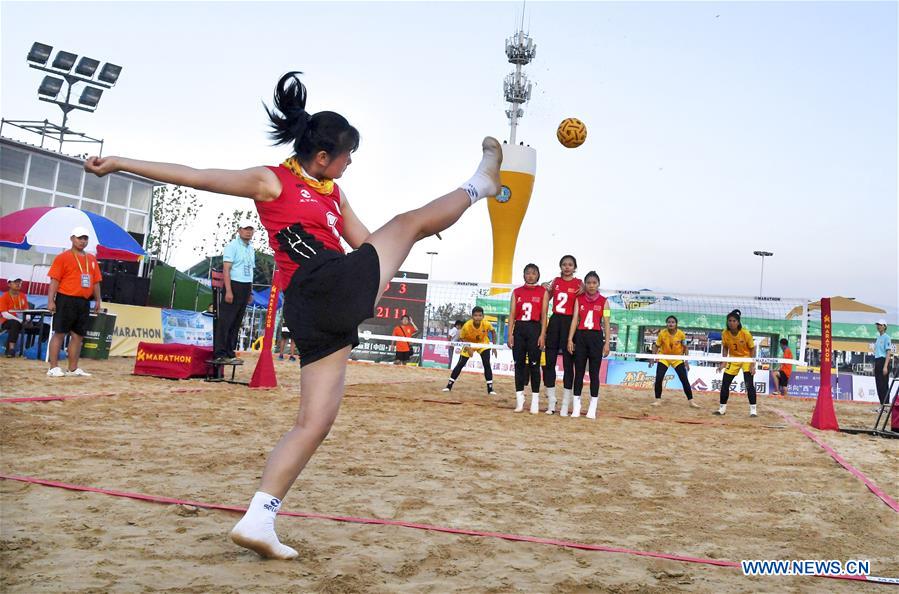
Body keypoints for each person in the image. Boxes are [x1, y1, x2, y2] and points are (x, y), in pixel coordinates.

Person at [84, 71, 502, 559]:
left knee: (314, 422)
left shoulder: (331, 193)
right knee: (410, 221)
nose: (350, 164)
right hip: (318, 286)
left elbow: (366, 243)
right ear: (322, 155)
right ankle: (481, 183)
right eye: (347, 156)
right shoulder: (271, 180)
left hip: (317, 306)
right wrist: (117, 163)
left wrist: (411, 238)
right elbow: (194, 174)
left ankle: (259, 519)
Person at [46, 227, 103, 377]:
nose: (83, 241)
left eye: (85, 238)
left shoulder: (91, 259)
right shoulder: (62, 257)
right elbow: (54, 280)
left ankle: (73, 368)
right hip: (65, 299)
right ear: (72, 238)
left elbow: (96, 281)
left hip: (83, 301)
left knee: (78, 336)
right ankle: (53, 367)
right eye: (79, 238)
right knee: (60, 333)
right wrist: (50, 301)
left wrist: (98, 299)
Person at [566, 271, 610, 419]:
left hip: (596, 338)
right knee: (578, 373)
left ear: (598, 284)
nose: (591, 285)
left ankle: (592, 407)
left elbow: (606, 323)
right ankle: (576, 406)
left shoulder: (605, 301)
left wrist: (607, 343)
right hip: (581, 337)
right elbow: (574, 320)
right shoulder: (579, 300)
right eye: (589, 283)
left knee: (594, 374)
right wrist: (570, 339)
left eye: (594, 283)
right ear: (585, 284)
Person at [541, 255, 582, 414]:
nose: (567, 267)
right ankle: (551, 401)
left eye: (570, 264)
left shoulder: (579, 283)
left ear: (574, 267)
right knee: (549, 362)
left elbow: (586, 299)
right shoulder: (556, 281)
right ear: (560, 266)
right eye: (564, 264)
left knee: (567, 364)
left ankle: (565, 404)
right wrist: (544, 287)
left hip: (570, 323)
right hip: (555, 321)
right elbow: (547, 296)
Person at [215, 220, 256, 364]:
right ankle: (219, 353)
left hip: (245, 286)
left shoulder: (251, 248)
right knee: (226, 320)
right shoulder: (232, 246)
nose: (248, 232)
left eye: (251, 229)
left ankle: (230, 351)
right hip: (233, 284)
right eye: (245, 229)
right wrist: (228, 290)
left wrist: (250, 291)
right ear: (239, 230)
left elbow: (251, 270)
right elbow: (226, 269)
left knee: (237, 321)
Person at [508, 263, 546, 413]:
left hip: (534, 329)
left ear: (538, 275)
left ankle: (535, 401)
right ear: (524, 275)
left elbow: (544, 316)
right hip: (519, 329)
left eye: (533, 273)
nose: (530, 275)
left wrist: (543, 335)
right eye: (528, 273)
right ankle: (520, 400)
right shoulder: (516, 292)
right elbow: (511, 315)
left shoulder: (542, 291)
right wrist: (510, 334)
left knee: (534, 365)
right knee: (519, 365)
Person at [443, 306, 497, 395]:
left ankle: (490, 389)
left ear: (483, 316)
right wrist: (468, 348)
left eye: (480, 315)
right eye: (475, 315)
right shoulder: (467, 325)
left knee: (486, 363)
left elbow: (493, 332)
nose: (478, 317)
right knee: (460, 364)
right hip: (469, 343)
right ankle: (449, 386)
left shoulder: (486, 323)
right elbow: (462, 338)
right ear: (472, 316)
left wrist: (494, 347)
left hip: (482, 343)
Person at [649, 315, 699, 407]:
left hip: (677, 358)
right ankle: (658, 400)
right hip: (664, 357)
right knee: (659, 378)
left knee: (684, 379)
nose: (670, 324)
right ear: (666, 324)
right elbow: (656, 346)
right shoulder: (662, 333)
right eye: (669, 322)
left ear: (676, 324)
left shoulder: (681, 334)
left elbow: (685, 347)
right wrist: (652, 358)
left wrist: (686, 361)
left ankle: (691, 401)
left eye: (672, 322)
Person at [715, 309, 758, 417]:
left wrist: (753, 364)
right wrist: (723, 362)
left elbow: (753, 349)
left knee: (749, 385)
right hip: (733, 359)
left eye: (734, 321)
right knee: (725, 383)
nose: (732, 323)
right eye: (729, 320)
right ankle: (722, 409)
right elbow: (725, 347)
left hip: (746, 359)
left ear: (738, 322)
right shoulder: (725, 333)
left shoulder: (745, 333)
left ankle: (753, 410)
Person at [0, 278, 28, 357]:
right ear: (9, 284)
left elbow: (26, 309)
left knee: (45, 326)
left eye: (19, 282)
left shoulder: (22, 296)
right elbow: (5, 314)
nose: (18, 284)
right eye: (15, 282)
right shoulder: (4, 296)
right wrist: (20, 320)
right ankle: (11, 349)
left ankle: (37, 350)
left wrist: (28, 319)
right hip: (5, 321)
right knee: (14, 323)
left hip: (21, 320)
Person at [873, 319, 893, 407]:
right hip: (877, 361)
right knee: (878, 384)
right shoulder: (878, 338)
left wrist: (885, 367)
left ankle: (886, 405)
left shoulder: (887, 337)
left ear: (884, 326)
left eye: (880, 325)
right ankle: (882, 405)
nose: (878, 326)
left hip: (883, 361)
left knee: (884, 384)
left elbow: (888, 352)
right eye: (877, 325)